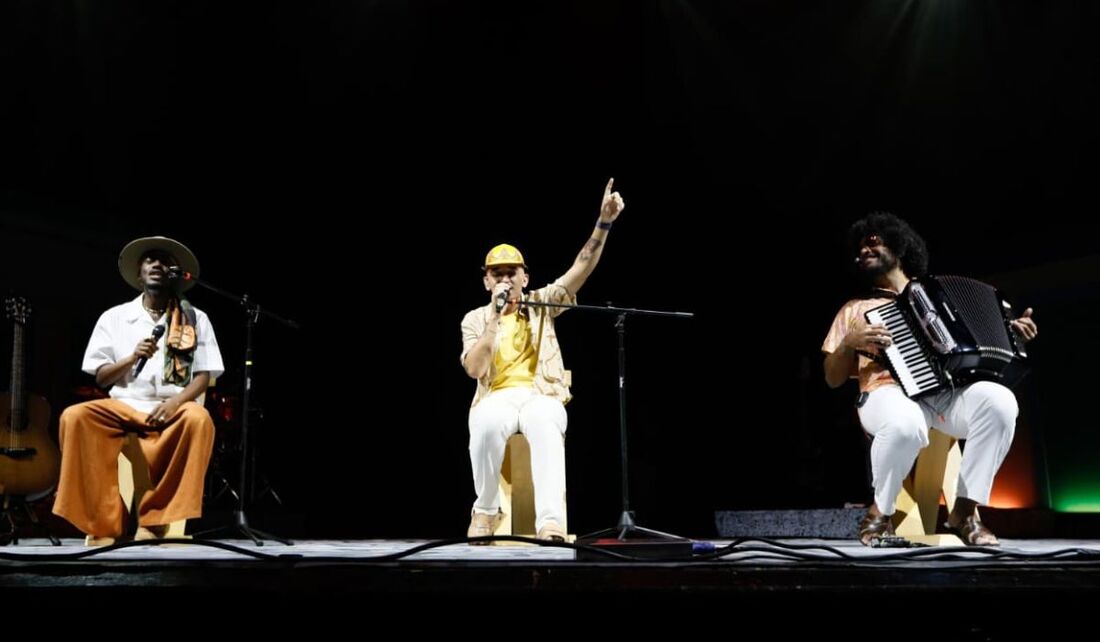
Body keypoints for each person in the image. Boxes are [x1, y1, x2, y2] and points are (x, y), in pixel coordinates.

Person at [821, 213, 1037, 546]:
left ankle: (964, 512)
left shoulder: (939, 297)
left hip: (945, 394)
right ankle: (879, 514)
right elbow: (833, 379)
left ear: (899, 245)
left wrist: (1011, 335)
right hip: (886, 394)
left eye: (873, 241)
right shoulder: (855, 309)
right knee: (906, 424)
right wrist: (849, 342)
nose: (863, 250)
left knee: (999, 401)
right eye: (859, 248)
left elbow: (977, 340)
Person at [460, 178, 625, 543]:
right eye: (497, 273)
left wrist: (604, 223)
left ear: (525, 277)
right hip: (496, 396)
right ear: (487, 282)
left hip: (540, 393)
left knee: (543, 422)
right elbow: (474, 370)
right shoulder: (474, 319)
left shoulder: (543, 304)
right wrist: (493, 319)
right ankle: (485, 511)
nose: (505, 278)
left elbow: (580, 268)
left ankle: (549, 521)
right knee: (485, 421)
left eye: (511, 272)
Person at [53, 236, 224, 545]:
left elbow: (203, 375)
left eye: (163, 261)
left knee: (198, 419)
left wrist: (176, 402)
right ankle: (105, 523)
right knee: (74, 417)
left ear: (175, 273)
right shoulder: (114, 317)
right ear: (140, 272)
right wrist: (132, 357)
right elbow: (102, 378)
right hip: (124, 404)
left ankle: (155, 521)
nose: (156, 265)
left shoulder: (195, 318)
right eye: (149, 260)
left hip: (171, 406)